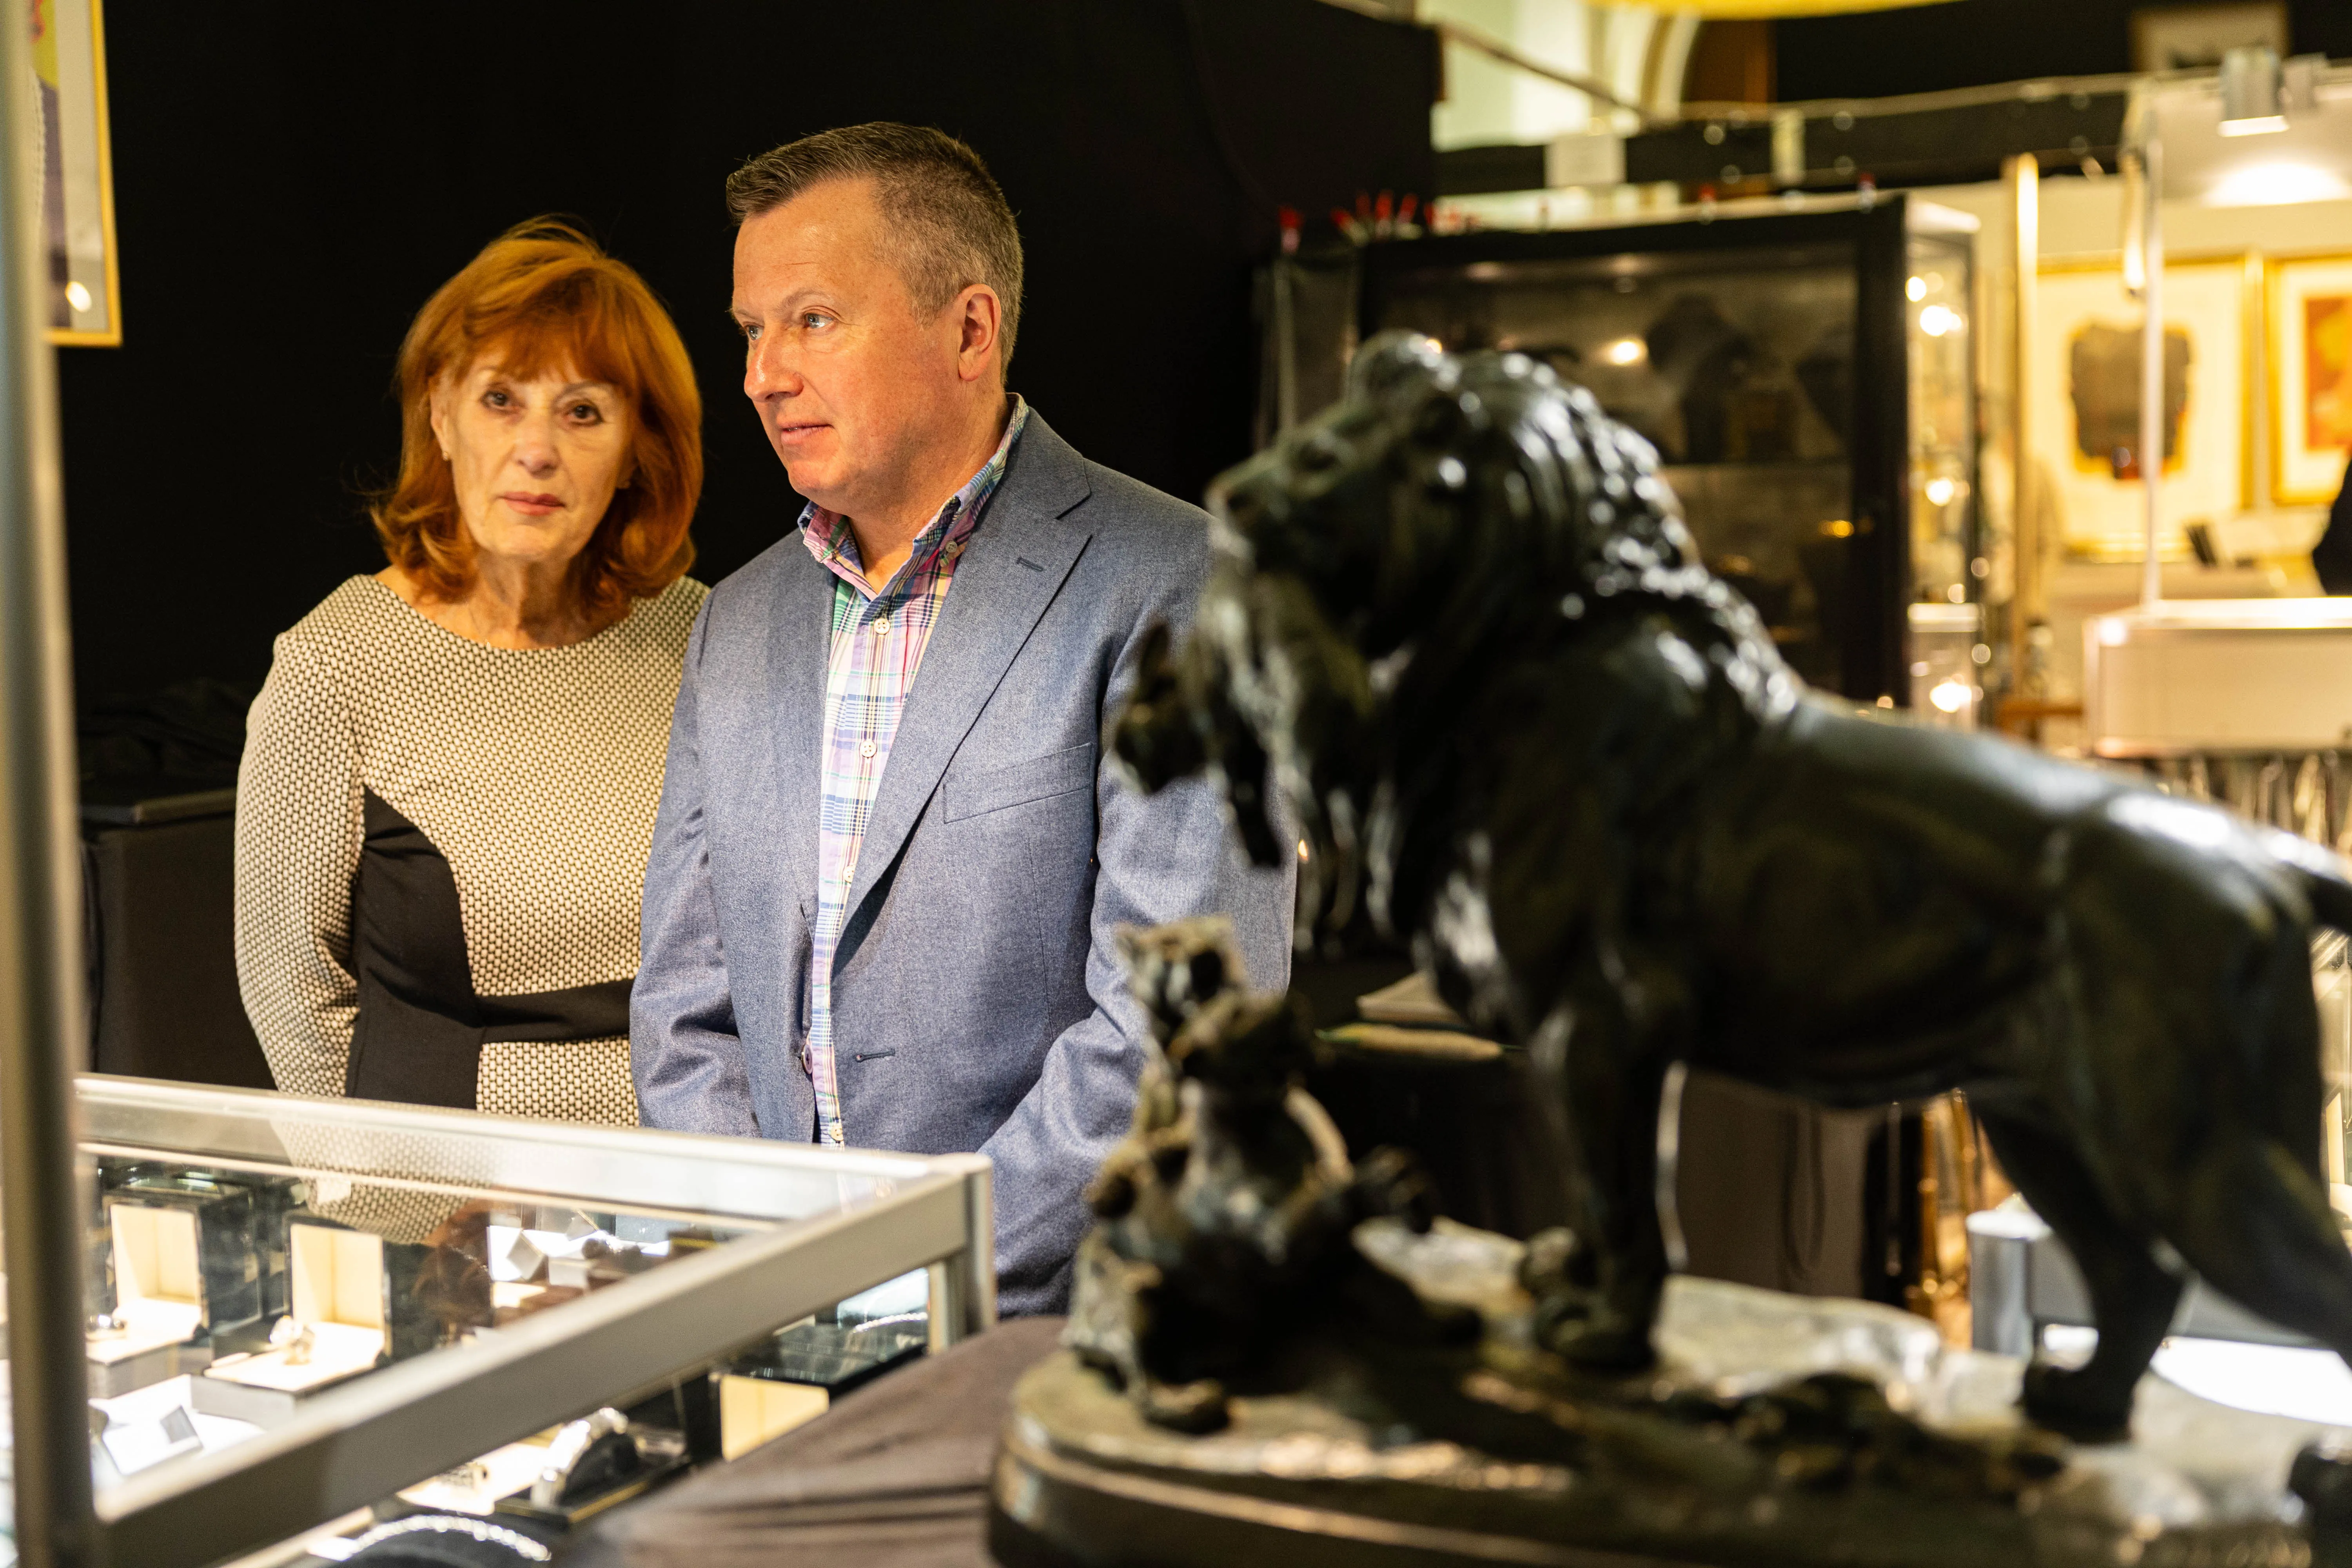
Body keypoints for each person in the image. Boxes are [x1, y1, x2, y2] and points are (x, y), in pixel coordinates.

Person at [631, 123, 1292, 1314]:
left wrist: (915, 1274)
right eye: (751, 329)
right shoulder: (734, 620)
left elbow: (1179, 1032)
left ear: (970, 330)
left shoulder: (1178, 584)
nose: (763, 374)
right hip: (781, 1315)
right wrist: (768, 1261)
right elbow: (685, 1003)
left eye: (813, 320)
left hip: (1061, 1331)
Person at [236, 220, 706, 1123]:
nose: (538, 449)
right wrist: (396, 1203)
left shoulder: (698, 634)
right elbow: (291, 996)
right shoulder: (333, 666)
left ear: (636, 453)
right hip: (450, 1211)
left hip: (690, 1177)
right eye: (501, 399)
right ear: (440, 413)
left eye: (583, 411)